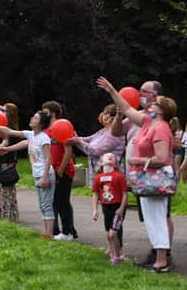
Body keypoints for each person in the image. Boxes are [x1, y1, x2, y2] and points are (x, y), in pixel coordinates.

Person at [97, 76, 175, 272]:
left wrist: (138, 161)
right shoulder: (148, 121)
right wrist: (112, 91)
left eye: (153, 102)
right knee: (151, 221)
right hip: (147, 179)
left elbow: (163, 157)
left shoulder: (161, 127)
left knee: (157, 220)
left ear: (161, 110)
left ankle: (162, 261)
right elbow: (127, 108)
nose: (147, 103)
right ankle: (159, 259)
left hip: (156, 179)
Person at [0, 110, 54, 237]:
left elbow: (48, 158)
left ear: (41, 124)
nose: (31, 118)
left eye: (35, 118)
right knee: (42, 204)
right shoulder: (31, 135)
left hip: (46, 175)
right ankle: (46, 233)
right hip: (38, 174)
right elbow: (10, 131)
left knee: (46, 205)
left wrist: (45, 177)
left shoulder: (44, 138)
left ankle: (49, 234)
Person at [41, 101, 78, 241]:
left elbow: (68, 151)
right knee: (53, 202)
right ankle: (57, 230)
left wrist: (61, 171)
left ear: (53, 113)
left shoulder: (62, 126)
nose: (43, 114)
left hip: (63, 171)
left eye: (45, 111)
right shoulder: (45, 131)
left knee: (62, 201)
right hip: (51, 171)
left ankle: (68, 231)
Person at [67, 104, 125, 185]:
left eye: (105, 113)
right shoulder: (103, 131)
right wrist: (75, 137)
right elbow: (88, 139)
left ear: (110, 117)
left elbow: (96, 151)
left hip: (111, 178)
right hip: (99, 175)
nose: (102, 116)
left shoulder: (115, 135)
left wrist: (78, 141)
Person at [91, 153, 128, 265]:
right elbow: (95, 195)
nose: (110, 157)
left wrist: (122, 208)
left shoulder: (119, 177)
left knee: (113, 233)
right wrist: (95, 210)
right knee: (109, 234)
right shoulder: (98, 178)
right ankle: (113, 254)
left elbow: (125, 194)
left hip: (117, 208)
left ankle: (117, 256)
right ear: (101, 162)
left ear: (116, 164)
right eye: (107, 156)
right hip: (106, 208)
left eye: (113, 156)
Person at [0, 103, 21, 223]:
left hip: (8, 162)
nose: (1, 112)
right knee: (4, 190)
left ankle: (7, 217)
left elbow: (2, 148)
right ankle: (8, 216)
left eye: (3, 110)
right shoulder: (4, 128)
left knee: (7, 190)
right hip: (3, 162)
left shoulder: (11, 130)